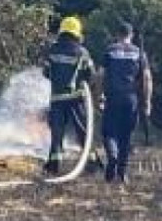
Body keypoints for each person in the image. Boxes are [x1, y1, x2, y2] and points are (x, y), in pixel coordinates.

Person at [99, 21, 152, 185]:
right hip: (131, 99)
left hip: (112, 97)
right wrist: (147, 102)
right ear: (132, 36)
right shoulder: (139, 52)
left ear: (117, 34)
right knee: (126, 136)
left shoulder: (110, 50)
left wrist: (98, 96)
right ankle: (122, 174)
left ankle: (112, 157)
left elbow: (100, 75)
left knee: (108, 132)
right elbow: (147, 78)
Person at [42, 16, 96, 176]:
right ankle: (91, 162)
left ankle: (53, 165)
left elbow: (46, 73)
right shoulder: (82, 52)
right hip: (76, 98)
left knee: (57, 133)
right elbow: (91, 74)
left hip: (57, 98)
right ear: (77, 33)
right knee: (83, 131)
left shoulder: (52, 50)